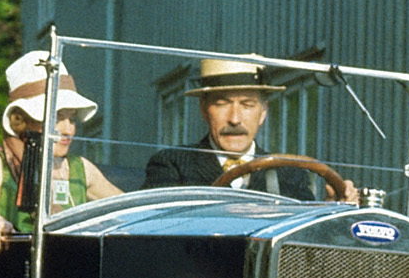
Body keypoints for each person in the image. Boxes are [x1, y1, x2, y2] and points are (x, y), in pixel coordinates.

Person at [0, 52, 121, 255]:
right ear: (22, 121)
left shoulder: (80, 169)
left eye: (72, 119)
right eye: (57, 117)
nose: (68, 129)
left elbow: (131, 210)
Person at [144, 58, 358, 202]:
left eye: (247, 105)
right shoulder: (172, 165)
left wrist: (329, 210)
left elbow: (301, 247)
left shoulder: (290, 174)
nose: (235, 119)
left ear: (263, 112)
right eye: (222, 104)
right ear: (204, 109)